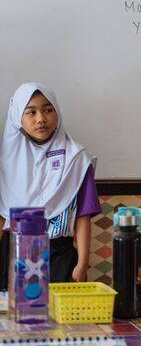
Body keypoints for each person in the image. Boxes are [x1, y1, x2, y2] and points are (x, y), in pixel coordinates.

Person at [0, 83, 102, 287]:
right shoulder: (6, 163)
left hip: (59, 256)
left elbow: (82, 215)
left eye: (48, 110)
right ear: (17, 117)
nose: (41, 119)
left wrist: (82, 263)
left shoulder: (76, 159)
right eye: (31, 112)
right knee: (13, 317)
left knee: (62, 316)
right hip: (13, 253)